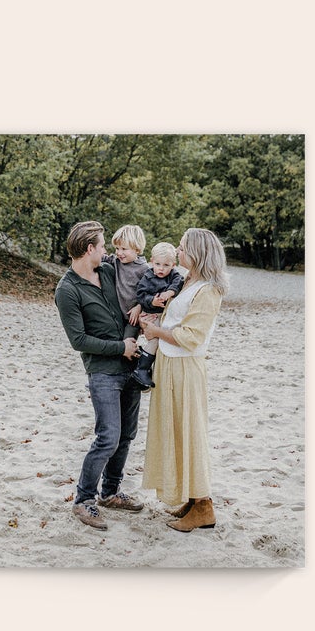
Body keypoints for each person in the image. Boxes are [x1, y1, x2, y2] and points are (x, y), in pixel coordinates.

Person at [54, 220, 144, 532]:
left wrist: (131, 338)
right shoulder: (66, 290)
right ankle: (83, 500)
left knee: (127, 435)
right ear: (90, 248)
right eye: (103, 246)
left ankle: (110, 492)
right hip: (103, 371)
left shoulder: (108, 271)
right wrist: (121, 347)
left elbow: (135, 293)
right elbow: (78, 340)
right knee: (108, 437)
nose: (107, 251)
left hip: (131, 366)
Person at [140, 228, 229, 532]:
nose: (177, 252)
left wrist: (156, 332)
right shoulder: (186, 280)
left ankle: (204, 505)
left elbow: (192, 336)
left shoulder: (209, 290)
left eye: (182, 247)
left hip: (185, 368)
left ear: (197, 252)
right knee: (176, 430)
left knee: (190, 431)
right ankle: (192, 499)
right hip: (169, 363)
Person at [131, 242, 185, 389]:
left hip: (165, 315)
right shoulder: (148, 276)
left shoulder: (174, 275)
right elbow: (140, 295)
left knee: (163, 340)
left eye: (166, 265)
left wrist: (170, 292)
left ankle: (146, 361)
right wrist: (152, 301)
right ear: (151, 262)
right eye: (158, 264)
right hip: (151, 313)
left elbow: (179, 282)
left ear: (173, 265)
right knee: (155, 340)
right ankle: (141, 369)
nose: (161, 268)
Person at [102, 224, 150, 342]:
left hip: (132, 318)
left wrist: (139, 307)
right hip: (117, 315)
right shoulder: (116, 261)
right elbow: (101, 258)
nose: (119, 252)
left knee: (128, 342)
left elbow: (150, 292)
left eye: (124, 249)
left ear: (137, 249)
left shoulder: (144, 269)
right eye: (117, 248)